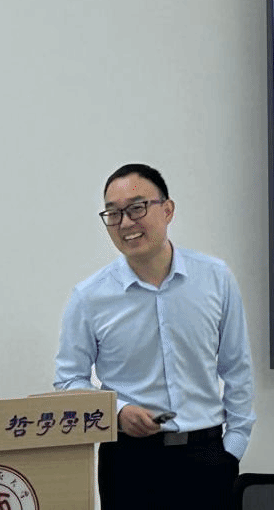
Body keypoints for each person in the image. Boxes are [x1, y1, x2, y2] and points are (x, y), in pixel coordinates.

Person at [54, 163, 255, 510]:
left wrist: (233, 447)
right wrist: (117, 412)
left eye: (137, 208)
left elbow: (237, 368)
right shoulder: (89, 297)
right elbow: (68, 381)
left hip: (207, 458)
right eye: (113, 214)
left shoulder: (215, 278)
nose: (125, 223)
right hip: (129, 463)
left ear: (168, 210)